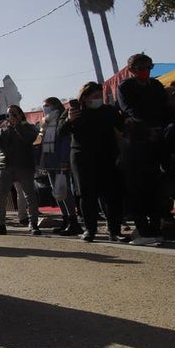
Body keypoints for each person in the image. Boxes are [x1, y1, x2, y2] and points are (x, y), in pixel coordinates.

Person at [117, 52, 175, 246]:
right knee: (137, 187)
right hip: (136, 141)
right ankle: (142, 228)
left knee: (157, 185)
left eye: (148, 67)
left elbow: (166, 108)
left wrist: (167, 126)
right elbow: (129, 110)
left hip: (159, 138)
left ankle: (158, 224)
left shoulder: (157, 86)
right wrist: (146, 128)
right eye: (141, 68)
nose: (145, 71)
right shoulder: (125, 86)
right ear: (132, 70)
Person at [59, 82, 127, 243]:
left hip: (107, 155)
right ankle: (90, 229)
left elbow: (122, 127)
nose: (97, 99)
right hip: (82, 156)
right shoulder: (73, 112)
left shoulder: (108, 111)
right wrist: (69, 120)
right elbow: (61, 132)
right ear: (85, 97)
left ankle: (114, 230)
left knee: (111, 194)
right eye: (94, 96)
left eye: (99, 96)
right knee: (86, 194)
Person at [0, 105, 41, 235]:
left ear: (20, 115)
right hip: (4, 166)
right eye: (8, 114)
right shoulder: (3, 129)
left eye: (13, 113)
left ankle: (33, 224)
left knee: (30, 195)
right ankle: (1, 224)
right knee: (0, 196)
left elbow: (28, 139)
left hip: (24, 166)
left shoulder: (28, 127)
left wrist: (17, 125)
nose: (10, 116)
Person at [39, 97, 80, 235]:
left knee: (65, 192)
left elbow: (65, 140)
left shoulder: (61, 119)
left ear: (55, 106)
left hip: (60, 161)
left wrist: (64, 159)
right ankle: (65, 220)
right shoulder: (46, 122)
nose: (45, 108)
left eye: (47, 105)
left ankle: (73, 221)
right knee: (57, 194)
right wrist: (42, 162)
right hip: (50, 162)